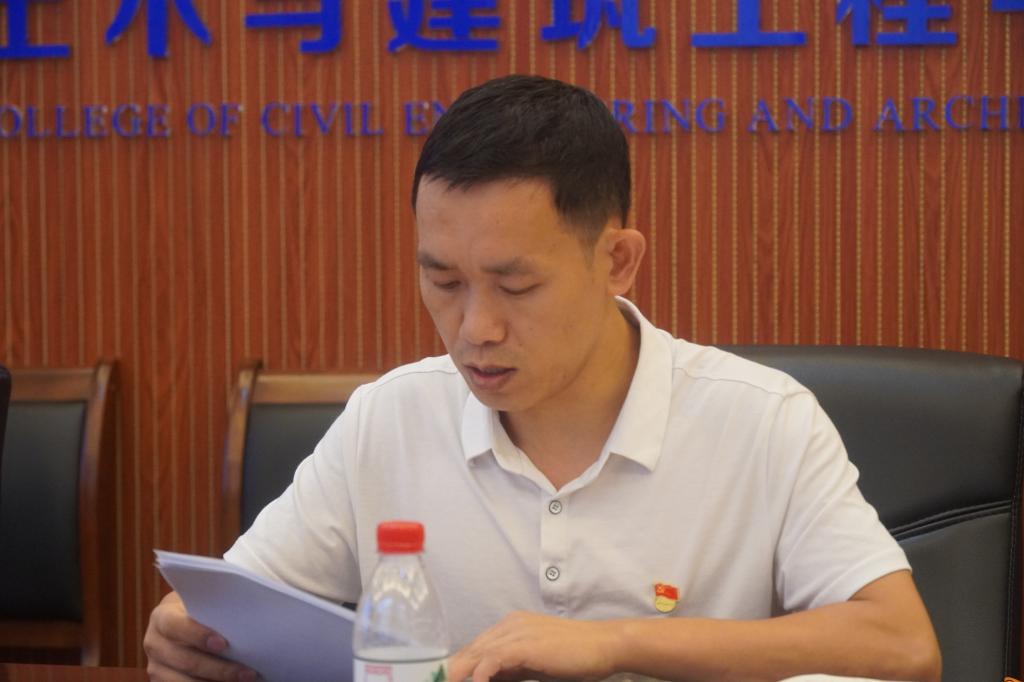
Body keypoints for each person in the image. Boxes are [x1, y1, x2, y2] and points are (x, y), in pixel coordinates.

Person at [144, 75, 941, 682]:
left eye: (516, 285)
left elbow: (903, 645)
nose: (475, 328)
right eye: (443, 281)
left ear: (617, 260)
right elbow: (237, 602)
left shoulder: (762, 420)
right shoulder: (391, 417)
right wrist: (191, 633)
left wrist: (618, 642)